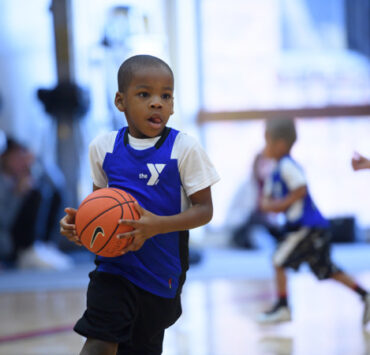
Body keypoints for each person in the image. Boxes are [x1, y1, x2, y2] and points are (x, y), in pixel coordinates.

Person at [59, 54, 220, 354]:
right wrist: (80, 225)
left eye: (166, 95)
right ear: (121, 101)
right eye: (144, 94)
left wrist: (156, 226)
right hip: (113, 269)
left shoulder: (184, 148)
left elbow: (205, 210)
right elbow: (99, 207)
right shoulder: (103, 148)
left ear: (172, 105)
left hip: (161, 272)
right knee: (99, 340)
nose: (157, 102)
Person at [256, 117, 370, 325]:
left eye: (267, 141)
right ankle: (365, 295)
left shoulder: (286, 166)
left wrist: (278, 205)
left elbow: (300, 189)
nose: (265, 147)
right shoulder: (276, 169)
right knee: (327, 269)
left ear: (279, 144)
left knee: (278, 260)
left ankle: (283, 307)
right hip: (313, 228)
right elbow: (268, 199)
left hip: (307, 228)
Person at [0, 136, 72, 270]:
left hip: (17, 232)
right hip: (7, 239)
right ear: (4, 156)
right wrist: (17, 195)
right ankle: (28, 251)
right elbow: (4, 221)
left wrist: (39, 161)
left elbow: (58, 183)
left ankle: (46, 246)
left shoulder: (24, 175)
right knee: (35, 195)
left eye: (22, 157)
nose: (20, 162)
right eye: (16, 157)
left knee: (47, 191)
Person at [231, 148, 283, 249]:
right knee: (255, 217)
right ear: (256, 166)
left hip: (267, 225)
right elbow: (236, 215)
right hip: (246, 224)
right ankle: (257, 240)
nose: (265, 168)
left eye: (267, 164)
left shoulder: (274, 186)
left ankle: (265, 240)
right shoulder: (246, 186)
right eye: (262, 164)